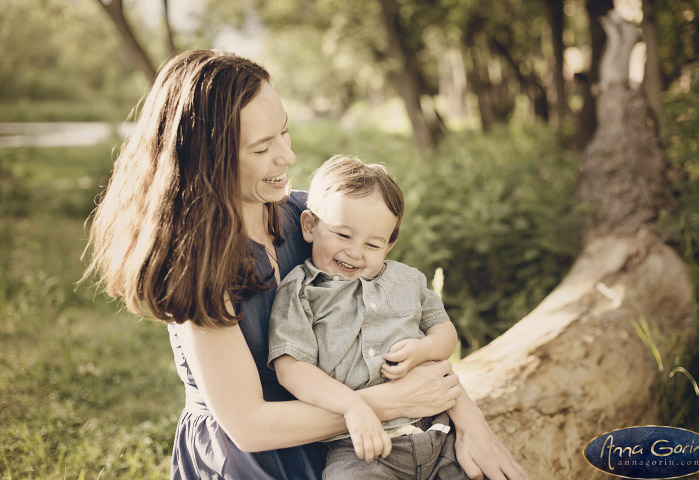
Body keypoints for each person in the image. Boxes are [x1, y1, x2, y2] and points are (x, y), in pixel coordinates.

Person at [82, 49, 529, 480]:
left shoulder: (315, 222)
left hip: (350, 442)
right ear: (207, 162)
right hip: (257, 459)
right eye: (261, 149)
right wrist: (388, 404)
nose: (287, 157)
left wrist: (470, 422)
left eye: (284, 132)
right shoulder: (194, 266)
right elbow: (250, 425)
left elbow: (397, 323)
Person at [268, 155, 473, 479]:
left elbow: (445, 333)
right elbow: (291, 369)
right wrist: (352, 405)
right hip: (361, 447)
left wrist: (424, 350)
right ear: (310, 225)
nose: (355, 252)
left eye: (373, 244)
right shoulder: (301, 291)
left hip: (437, 431)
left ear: (389, 246)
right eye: (343, 235)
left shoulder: (407, 280)